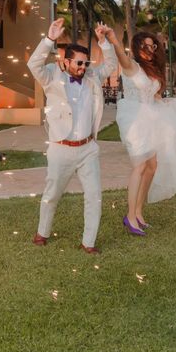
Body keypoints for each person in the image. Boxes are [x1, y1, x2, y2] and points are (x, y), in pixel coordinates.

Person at [99, 25, 176, 236]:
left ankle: (139, 213)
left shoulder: (153, 71)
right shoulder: (131, 65)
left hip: (151, 118)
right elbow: (121, 56)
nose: (150, 50)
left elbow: (155, 97)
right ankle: (130, 216)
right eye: (145, 46)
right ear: (137, 47)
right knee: (140, 166)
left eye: (152, 46)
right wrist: (113, 39)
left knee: (152, 166)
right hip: (133, 118)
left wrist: (174, 111)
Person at [27, 18, 118, 254]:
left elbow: (110, 63)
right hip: (61, 148)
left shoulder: (91, 79)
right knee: (52, 194)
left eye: (85, 63)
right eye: (78, 63)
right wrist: (49, 39)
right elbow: (33, 64)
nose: (82, 67)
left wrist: (103, 42)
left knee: (94, 195)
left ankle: (89, 243)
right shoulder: (50, 77)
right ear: (66, 61)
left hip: (88, 148)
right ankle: (42, 232)